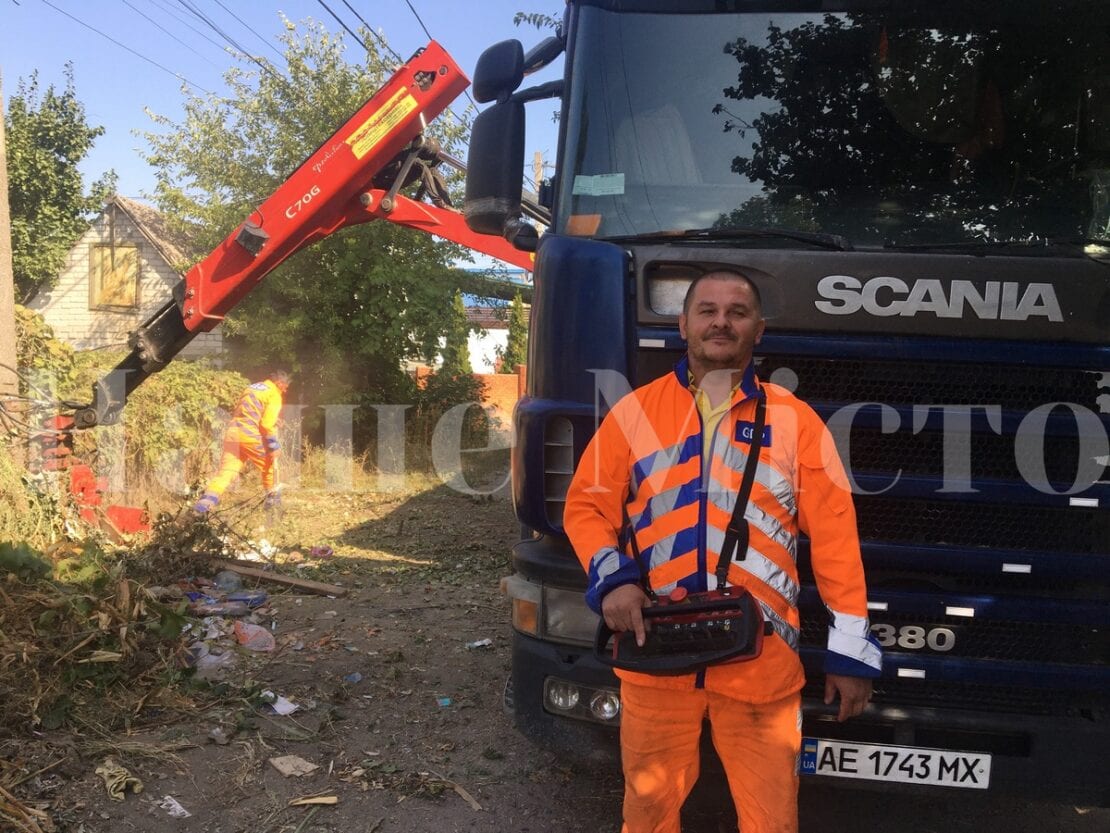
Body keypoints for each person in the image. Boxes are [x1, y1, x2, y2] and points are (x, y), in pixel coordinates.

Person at [563, 270, 881, 833]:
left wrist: (851, 652)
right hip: (656, 649)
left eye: (737, 312)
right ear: (683, 324)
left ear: (758, 329)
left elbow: (836, 538)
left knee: (772, 818)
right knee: (648, 811)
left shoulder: (797, 422)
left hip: (760, 661)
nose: (721, 321)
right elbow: (586, 506)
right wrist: (613, 579)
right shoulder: (633, 413)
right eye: (707, 310)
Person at [194, 371, 290, 515]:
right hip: (249, 435)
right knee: (269, 465)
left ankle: (203, 506)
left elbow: (248, 411)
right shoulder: (274, 394)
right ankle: (273, 506)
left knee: (226, 473)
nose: (286, 390)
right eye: (285, 387)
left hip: (232, 433)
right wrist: (273, 445)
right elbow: (265, 425)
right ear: (279, 383)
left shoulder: (252, 388)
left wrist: (273, 420)